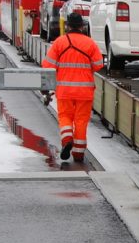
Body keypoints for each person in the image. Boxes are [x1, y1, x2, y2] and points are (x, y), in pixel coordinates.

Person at [42, 12, 104, 162]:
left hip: (64, 90)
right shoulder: (90, 43)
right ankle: (78, 154)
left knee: (65, 117)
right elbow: (98, 65)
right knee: (81, 121)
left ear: (68, 26)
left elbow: (47, 65)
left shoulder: (59, 42)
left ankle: (67, 139)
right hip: (85, 91)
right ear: (82, 27)